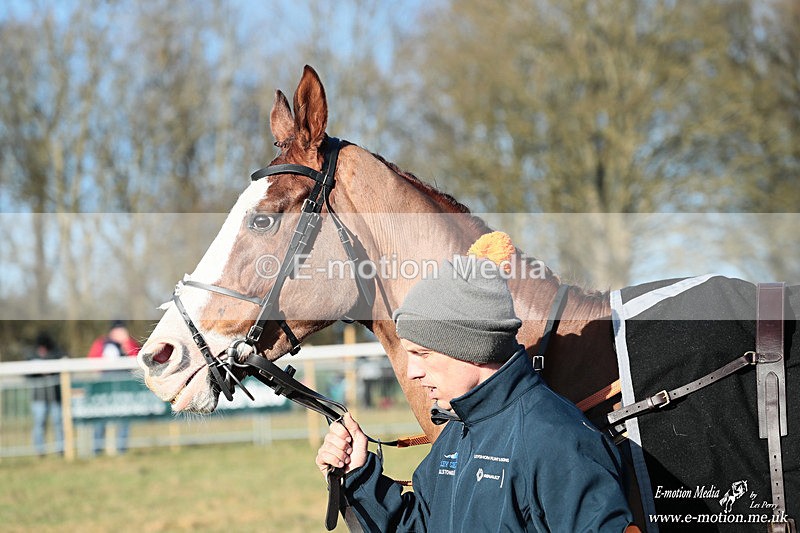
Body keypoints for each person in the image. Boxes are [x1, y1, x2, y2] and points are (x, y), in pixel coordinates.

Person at [316, 236, 636, 532]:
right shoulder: (457, 431)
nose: (412, 372)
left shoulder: (557, 441)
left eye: (423, 354)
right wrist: (358, 478)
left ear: (473, 348)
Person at [87, 320, 140, 455]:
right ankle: (97, 449)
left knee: (124, 417)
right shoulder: (101, 343)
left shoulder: (129, 343)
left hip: (124, 387)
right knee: (101, 417)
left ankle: (121, 448)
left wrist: (126, 343)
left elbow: (137, 358)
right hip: (105, 387)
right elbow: (92, 361)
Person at [27, 332, 64, 457]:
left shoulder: (56, 353)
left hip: (54, 396)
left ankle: (60, 449)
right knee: (39, 423)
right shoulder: (31, 355)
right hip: (39, 397)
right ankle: (40, 451)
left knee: (58, 422)